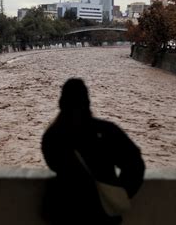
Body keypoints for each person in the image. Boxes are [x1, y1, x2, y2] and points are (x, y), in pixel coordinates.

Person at [41, 78, 145, 225]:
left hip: (66, 212)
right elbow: (135, 165)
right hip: (103, 215)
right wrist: (121, 192)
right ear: (88, 103)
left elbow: (53, 164)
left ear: (61, 104)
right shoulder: (107, 131)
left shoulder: (52, 136)